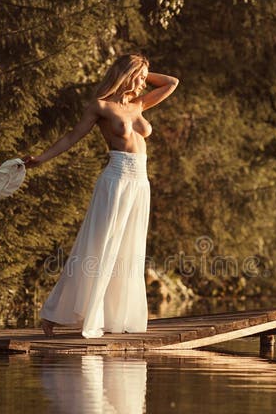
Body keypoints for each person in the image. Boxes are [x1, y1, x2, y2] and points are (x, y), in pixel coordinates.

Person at [21, 53, 179, 338]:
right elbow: (72, 137)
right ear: (126, 74)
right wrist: (42, 158)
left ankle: (113, 317)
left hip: (140, 182)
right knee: (98, 247)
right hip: (116, 179)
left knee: (128, 251)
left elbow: (171, 82)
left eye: (145, 78)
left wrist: (143, 69)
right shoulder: (101, 107)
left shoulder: (139, 105)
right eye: (140, 77)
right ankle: (53, 316)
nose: (144, 82)